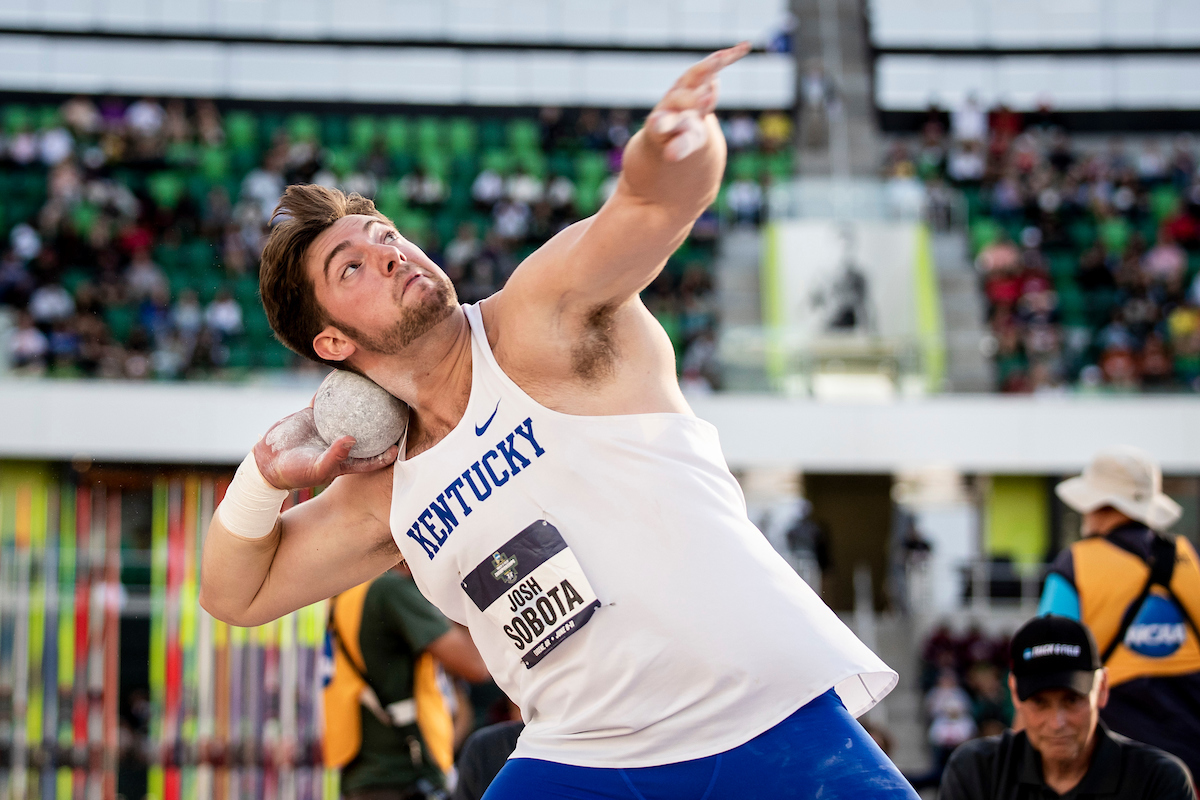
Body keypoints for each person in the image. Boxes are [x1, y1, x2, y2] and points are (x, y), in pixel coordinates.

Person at [200, 43, 915, 799]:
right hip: (585, 759)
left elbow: (652, 207)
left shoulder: (542, 322)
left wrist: (675, 143)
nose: (390, 256)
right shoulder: (387, 490)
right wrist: (264, 476)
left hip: (766, 719)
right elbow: (235, 596)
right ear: (332, 344)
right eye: (351, 267)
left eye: (387, 237)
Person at [1037, 447, 1200, 777]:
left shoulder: (1075, 563)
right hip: (1192, 758)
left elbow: (1043, 665)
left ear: (1098, 506)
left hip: (1115, 759)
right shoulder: (1189, 557)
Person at [939, 615, 1195, 800]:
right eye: (1040, 703)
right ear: (1014, 692)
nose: (1057, 722)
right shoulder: (975, 771)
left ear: (1102, 688)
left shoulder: (1157, 780)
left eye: (1072, 700)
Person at [324, 564, 489, 800]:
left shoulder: (350, 593)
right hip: (403, 774)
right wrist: (459, 589)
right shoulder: (390, 591)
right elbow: (476, 665)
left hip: (367, 774)